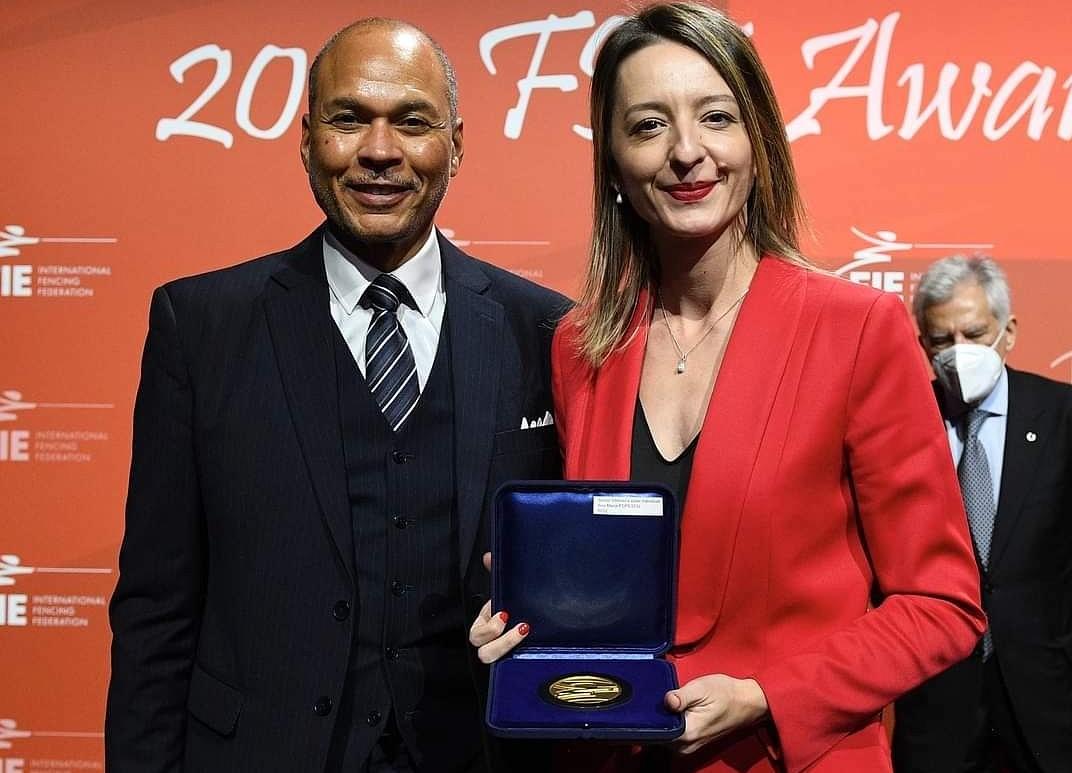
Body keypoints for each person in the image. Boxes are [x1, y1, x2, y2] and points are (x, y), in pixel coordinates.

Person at [468, 4, 985, 772]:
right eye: (647, 126)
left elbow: (943, 605)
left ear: (757, 140)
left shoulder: (858, 330)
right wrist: (532, 617)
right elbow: (614, 582)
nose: (686, 152)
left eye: (716, 116)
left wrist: (769, 692)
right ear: (611, 162)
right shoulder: (584, 347)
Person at [105, 17, 567, 773]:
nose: (379, 152)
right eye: (349, 119)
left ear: (456, 142)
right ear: (307, 137)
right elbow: (157, 609)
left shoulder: (545, 329)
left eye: (411, 122)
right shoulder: (200, 326)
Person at [893, 255, 1072, 773]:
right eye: (940, 341)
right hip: (936, 701)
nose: (958, 353)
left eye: (973, 333)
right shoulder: (899, 425)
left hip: (1048, 699)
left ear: (1008, 332)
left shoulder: (1061, 417)